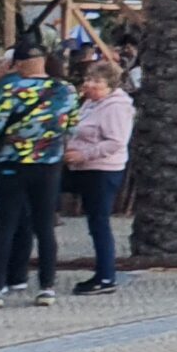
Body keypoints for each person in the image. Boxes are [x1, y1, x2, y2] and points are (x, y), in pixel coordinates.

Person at [0, 49, 81, 308]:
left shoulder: (12, 89)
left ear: (21, 64)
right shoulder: (66, 90)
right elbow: (71, 126)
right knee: (45, 226)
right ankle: (47, 287)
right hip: (48, 165)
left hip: (12, 163)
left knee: (5, 225)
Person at [63, 60, 135, 295]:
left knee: (99, 221)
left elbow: (115, 142)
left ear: (110, 85)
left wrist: (84, 154)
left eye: (97, 82)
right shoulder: (90, 103)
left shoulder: (116, 107)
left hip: (102, 169)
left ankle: (106, 275)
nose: (90, 85)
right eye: (88, 79)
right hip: (80, 167)